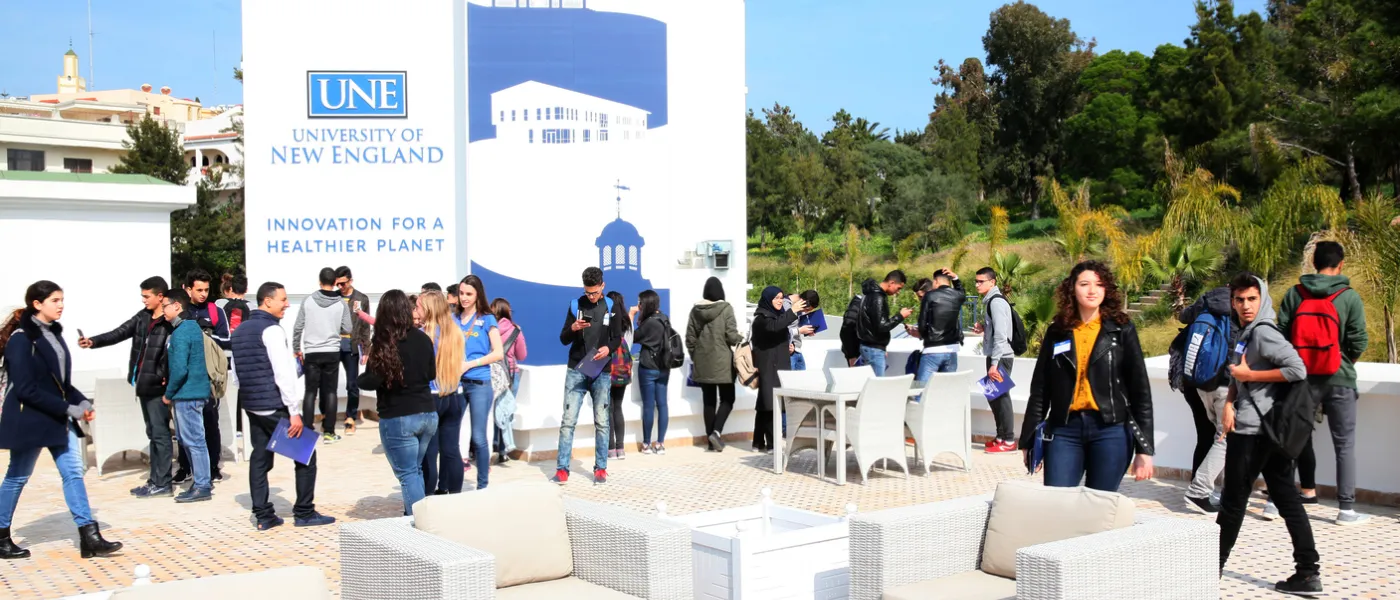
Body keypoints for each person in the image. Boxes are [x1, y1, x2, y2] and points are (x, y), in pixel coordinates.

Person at [0, 282, 123, 559]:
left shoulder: (54, 335)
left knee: (73, 471)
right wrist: (70, 408)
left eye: (62, 300)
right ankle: (0, 535)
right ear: (37, 304)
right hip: (29, 418)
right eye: (55, 300)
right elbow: (26, 389)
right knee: (17, 476)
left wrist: (81, 402)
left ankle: (89, 536)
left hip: (55, 416)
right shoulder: (21, 339)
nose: (61, 305)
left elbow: (61, 383)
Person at [1217, 273, 1319, 596]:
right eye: (1239, 300)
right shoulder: (1247, 332)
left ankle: (1208, 570)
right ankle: (1307, 572)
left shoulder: (1263, 332)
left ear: (1262, 299)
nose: (1246, 306)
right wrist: (1230, 401)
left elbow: (1297, 369)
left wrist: (1251, 374)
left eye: (1251, 299)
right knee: (1288, 500)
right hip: (1263, 431)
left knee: (1232, 503)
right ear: (1232, 302)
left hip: (1254, 433)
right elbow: (1239, 374)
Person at [1020, 261, 1154, 493]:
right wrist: (1029, 438)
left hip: (1111, 430)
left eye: (1099, 285)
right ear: (1072, 288)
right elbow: (1041, 388)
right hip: (1064, 429)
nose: (1092, 290)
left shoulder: (1121, 330)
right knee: (1057, 501)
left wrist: (1144, 449)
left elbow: (1140, 390)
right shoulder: (1057, 331)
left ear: (1107, 290)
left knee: (1099, 505)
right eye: (1085, 284)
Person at [1272, 241, 1369, 525]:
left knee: (1289, 438)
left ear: (1313, 263)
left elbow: (1280, 335)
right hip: (1339, 377)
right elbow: (1358, 340)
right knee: (1344, 444)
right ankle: (1346, 510)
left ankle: (1275, 502)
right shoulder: (1349, 296)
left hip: (1301, 377)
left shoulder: (1295, 293)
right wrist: (1341, 360)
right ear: (1341, 265)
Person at [232, 281, 335, 531]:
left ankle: (263, 516)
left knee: (259, 456)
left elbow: (236, 372)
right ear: (267, 301)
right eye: (283, 299)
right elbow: (284, 374)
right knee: (306, 455)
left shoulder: (240, 330)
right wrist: (294, 411)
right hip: (274, 405)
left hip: (252, 405)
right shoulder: (272, 330)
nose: (287, 304)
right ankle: (304, 512)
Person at [78, 276, 177, 498]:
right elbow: (119, 332)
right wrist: (92, 342)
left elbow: (174, 354)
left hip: (158, 387)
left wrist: (165, 377)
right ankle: (156, 480)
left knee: (160, 434)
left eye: (146, 296)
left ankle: (162, 483)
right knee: (153, 433)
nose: (143, 300)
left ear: (160, 296)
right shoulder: (143, 318)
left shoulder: (170, 322)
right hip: (143, 384)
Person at [357, 290, 440, 515]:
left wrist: (357, 380)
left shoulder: (385, 342)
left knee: (408, 474)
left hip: (399, 416)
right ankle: (416, 516)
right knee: (415, 470)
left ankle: (418, 524)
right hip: (427, 413)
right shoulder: (423, 338)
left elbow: (372, 379)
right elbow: (431, 373)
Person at [553, 267, 621, 484]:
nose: (591, 297)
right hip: (576, 369)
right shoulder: (575, 305)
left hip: (601, 369)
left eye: (594, 292)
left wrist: (608, 350)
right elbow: (563, 339)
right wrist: (573, 327)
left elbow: (617, 337)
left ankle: (601, 467)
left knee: (602, 422)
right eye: (587, 292)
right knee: (568, 421)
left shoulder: (611, 306)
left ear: (602, 285)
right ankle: (562, 468)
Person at [1176, 285, 1233, 513]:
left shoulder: (1205, 301)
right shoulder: (1239, 309)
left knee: (1207, 436)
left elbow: (1183, 316)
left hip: (1198, 383)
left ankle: (1203, 490)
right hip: (1225, 385)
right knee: (1225, 438)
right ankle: (1199, 491)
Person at [160, 289, 215, 503]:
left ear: (176, 306)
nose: (163, 310)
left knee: (194, 440)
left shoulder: (183, 331)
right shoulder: (189, 328)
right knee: (188, 439)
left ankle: (202, 485)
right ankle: (201, 481)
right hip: (190, 393)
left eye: (165, 306)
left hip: (187, 394)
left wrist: (168, 393)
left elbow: (180, 369)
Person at [179, 269, 229, 483]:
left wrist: (204, 337)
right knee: (183, 426)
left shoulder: (215, 310)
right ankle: (185, 466)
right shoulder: (179, 310)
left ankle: (213, 466)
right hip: (185, 377)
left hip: (208, 378)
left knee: (210, 421)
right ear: (187, 289)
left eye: (207, 290)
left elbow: (227, 341)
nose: (203, 294)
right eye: (199, 290)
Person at [293, 267, 353, 444]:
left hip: (312, 351)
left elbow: (298, 327)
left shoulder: (308, 300)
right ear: (335, 282)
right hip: (332, 351)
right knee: (331, 392)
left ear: (319, 282)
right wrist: (334, 329)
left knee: (310, 391)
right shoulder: (341, 303)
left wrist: (297, 348)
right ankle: (329, 432)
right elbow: (348, 328)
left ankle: (307, 431)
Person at [456, 275, 504, 491]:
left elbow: (498, 353)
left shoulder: (487, 319)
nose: (464, 298)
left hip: (479, 382)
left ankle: (482, 485)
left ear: (477, 295)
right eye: (461, 293)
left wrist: (471, 363)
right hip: (456, 383)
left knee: (478, 437)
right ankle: (453, 483)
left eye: (469, 294)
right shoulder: (453, 318)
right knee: (453, 434)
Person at [686, 277, 743, 453]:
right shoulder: (726, 309)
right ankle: (716, 432)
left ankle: (711, 442)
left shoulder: (695, 310)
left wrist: (697, 356)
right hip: (723, 362)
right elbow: (731, 336)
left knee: (708, 402)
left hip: (703, 362)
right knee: (728, 399)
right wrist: (743, 338)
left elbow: (690, 339)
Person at [418, 292, 466, 495]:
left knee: (429, 453)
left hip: (431, 397)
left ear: (429, 309)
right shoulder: (456, 332)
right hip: (454, 394)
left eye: (419, 306)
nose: (416, 310)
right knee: (452, 451)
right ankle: (455, 497)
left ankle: (427, 500)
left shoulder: (423, 335)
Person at [751, 287, 804, 452]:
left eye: (781, 297)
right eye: (776, 298)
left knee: (766, 402)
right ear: (768, 300)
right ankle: (772, 443)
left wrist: (789, 346)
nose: (780, 301)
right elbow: (773, 328)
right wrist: (793, 311)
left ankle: (758, 442)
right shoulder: (761, 318)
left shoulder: (777, 315)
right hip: (768, 365)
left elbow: (779, 333)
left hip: (778, 363)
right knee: (769, 403)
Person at [972, 267, 1018, 453]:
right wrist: (984, 328)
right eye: (976, 281)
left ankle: (1008, 440)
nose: (977, 284)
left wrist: (994, 364)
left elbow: (1001, 335)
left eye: (981, 281)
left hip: (1001, 357)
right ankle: (1000, 436)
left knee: (1001, 396)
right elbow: (997, 329)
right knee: (994, 395)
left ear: (992, 282)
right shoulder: (990, 301)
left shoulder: (996, 302)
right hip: (995, 355)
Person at [909, 269, 966, 381]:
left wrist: (924, 335)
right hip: (952, 350)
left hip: (932, 349)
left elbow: (922, 323)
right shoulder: (957, 295)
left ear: (936, 281)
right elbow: (962, 293)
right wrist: (955, 278)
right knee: (945, 391)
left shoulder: (930, 296)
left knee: (922, 390)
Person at [334, 266, 372, 432]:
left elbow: (365, 326)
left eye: (343, 283)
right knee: (329, 383)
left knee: (352, 383)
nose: (340, 287)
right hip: (333, 344)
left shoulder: (361, 298)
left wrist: (366, 347)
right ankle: (329, 418)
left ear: (350, 280)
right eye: (338, 284)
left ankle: (351, 416)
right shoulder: (333, 298)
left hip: (352, 345)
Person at [633, 290, 671, 455]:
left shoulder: (648, 323)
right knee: (662, 405)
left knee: (649, 406)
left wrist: (631, 315)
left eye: (640, 303)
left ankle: (647, 443)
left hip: (648, 367)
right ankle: (660, 443)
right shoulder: (664, 318)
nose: (639, 306)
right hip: (664, 367)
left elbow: (631, 337)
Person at [855, 270, 913, 376]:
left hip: (870, 346)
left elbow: (874, 324)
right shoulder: (878, 298)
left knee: (869, 383)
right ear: (891, 283)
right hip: (873, 349)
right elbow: (882, 326)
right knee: (876, 385)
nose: (898, 292)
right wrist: (900, 316)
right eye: (898, 288)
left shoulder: (870, 295)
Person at [491, 298, 527, 463]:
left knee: (491, 411)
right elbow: (522, 355)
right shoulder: (515, 330)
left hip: (492, 374)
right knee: (506, 409)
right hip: (511, 374)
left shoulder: (489, 329)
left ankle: (492, 445)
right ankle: (504, 450)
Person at [607, 291, 633, 460]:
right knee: (618, 407)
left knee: (607, 409)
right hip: (622, 370)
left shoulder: (607, 320)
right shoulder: (627, 323)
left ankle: (609, 449)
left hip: (607, 370)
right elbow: (628, 346)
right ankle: (621, 448)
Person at [787, 290, 819, 371]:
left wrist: (807, 330)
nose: (806, 312)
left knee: (802, 382)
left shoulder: (799, 309)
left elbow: (794, 326)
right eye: (807, 309)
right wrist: (800, 331)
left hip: (797, 350)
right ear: (804, 302)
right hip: (788, 352)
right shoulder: (785, 305)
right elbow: (780, 329)